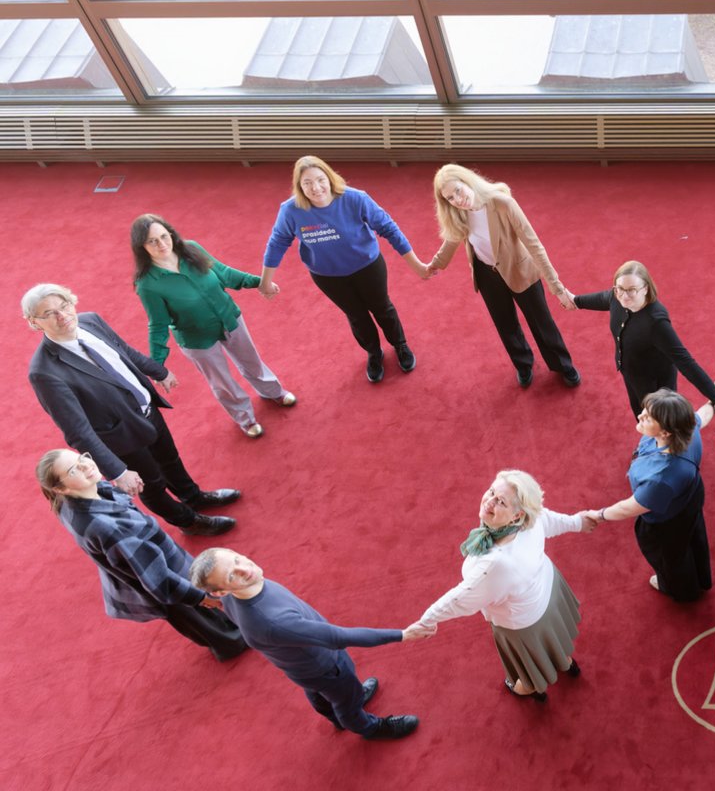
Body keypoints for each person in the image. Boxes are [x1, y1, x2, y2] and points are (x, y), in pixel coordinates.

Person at [24, 283, 239, 537]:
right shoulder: (44, 372)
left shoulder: (90, 320)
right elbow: (77, 431)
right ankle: (189, 522)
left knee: (170, 460)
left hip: (147, 410)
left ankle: (193, 497)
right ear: (34, 322)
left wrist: (158, 371)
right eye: (49, 313)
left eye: (64, 305)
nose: (62, 316)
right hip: (120, 437)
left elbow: (123, 351)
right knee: (152, 486)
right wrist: (116, 471)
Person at [190, 547, 428, 739]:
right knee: (347, 701)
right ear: (221, 592)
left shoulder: (233, 595)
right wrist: (402, 634)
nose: (245, 569)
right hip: (326, 666)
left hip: (300, 666)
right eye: (231, 575)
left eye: (236, 559)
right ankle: (369, 728)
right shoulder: (272, 622)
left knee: (319, 692)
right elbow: (338, 637)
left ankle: (337, 715)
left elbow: (219, 595)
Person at [36, 448, 247, 661]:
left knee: (196, 617)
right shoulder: (108, 528)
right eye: (73, 470)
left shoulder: (73, 499)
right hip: (160, 577)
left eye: (82, 458)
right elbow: (159, 581)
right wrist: (200, 597)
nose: (86, 466)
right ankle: (233, 644)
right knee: (201, 618)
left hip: (154, 562)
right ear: (60, 488)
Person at [408, 471, 594, 702]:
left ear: (516, 515)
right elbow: (551, 520)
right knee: (552, 640)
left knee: (529, 666)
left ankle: (528, 687)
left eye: (501, 502)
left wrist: (426, 621)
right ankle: (565, 661)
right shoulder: (530, 518)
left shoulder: (494, 564)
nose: (490, 501)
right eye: (491, 492)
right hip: (550, 590)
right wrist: (578, 522)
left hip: (524, 621)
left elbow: (460, 598)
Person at [260, 155, 427, 384]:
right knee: (357, 316)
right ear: (299, 186)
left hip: (368, 266)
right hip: (328, 276)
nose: (315, 188)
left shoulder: (355, 198)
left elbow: (388, 228)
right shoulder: (290, 210)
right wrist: (265, 281)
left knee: (382, 307)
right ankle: (374, 353)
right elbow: (277, 242)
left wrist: (416, 264)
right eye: (307, 183)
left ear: (329, 178)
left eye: (320, 180)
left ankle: (400, 345)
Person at [131, 213, 295, 439]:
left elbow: (224, 274)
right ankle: (245, 418)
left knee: (251, 361)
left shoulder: (191, 249)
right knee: (222, 381)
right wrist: (156, 366)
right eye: (152, 241)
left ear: (171, 233)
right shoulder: (147, 284)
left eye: (163, 236)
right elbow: (158, 325)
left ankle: (273, 391)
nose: (161, 244)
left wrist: (260, 282)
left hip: (229, 318)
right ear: (142, 247)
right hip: (197, 339)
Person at [426, 164, 580, 389]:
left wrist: (557, 287)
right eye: (450, 198)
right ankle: (523, 364)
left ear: (468, 181)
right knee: (505, 324)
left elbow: (534, 245)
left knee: (541, 322)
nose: (457, 200)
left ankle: (562, 364)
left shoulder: (502, 203)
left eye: (458, 190)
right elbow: (451, 240)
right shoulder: (458, 213)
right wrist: (434, 264)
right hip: (486, 273)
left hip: (520, 270)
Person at [589, 390, 714, 601]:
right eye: (644, 411)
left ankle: (683, 592)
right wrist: (714, 400)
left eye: (647, 418)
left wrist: (599, 515)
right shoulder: (687, 426)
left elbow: (629, 507)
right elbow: (704, 414)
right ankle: (701, 578)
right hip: (689, 499)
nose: (640, 416)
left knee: (669, 558)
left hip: (666, 521)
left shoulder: (660, 478)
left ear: (665, 432)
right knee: (693, 539)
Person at [566, 261, 715, 416]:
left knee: (656, 421)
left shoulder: (656, 323)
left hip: (655, 386)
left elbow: (685, 361)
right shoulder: (616, 296)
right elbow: (603, 298)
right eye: (619, 288)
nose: (624, 296)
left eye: (631, 290)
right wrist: (575, 301)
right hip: (632, 373)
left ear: (645, 289)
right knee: (639, 412)